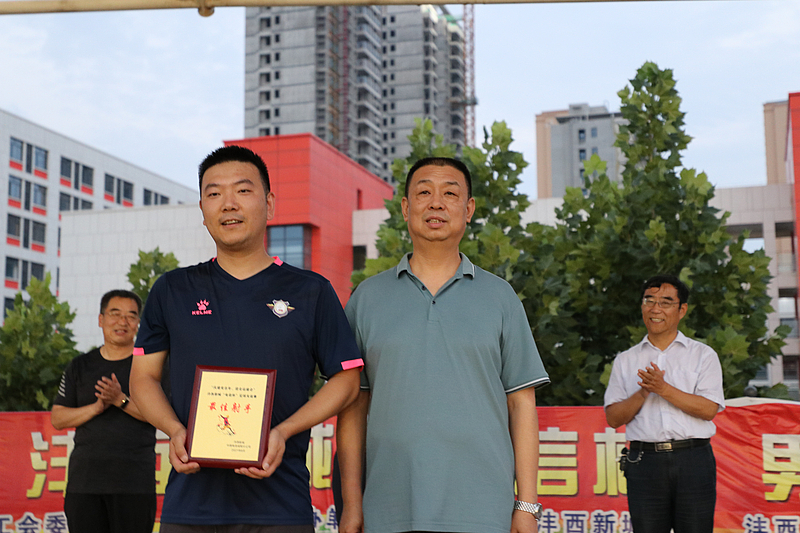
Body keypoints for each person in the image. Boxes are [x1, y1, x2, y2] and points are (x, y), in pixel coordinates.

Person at [130, 145, 362, 532]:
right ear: (202, 209)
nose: (228, 204)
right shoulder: (172, 289)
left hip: (280, 507)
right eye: (214, 193)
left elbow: (348, 379)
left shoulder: (311, 291)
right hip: (189, 508)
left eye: (242, 190)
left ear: (269, 204)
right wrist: (174, 429)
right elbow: (142, 377)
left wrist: (283, 431)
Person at [337, 157, 550, 533]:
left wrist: (527, 506)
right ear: (406, 208)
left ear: (468, 210)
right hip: (389, 509)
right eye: (424, 192)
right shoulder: (367, 299)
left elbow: (522, 405)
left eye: (450, 193)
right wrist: (353, 505)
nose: (436, 203)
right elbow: (352, 409)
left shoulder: (500, 297)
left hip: (485, 511)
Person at [604, 274, 725, 533]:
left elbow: (708, 410)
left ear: (682, 310)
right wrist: (643, 393)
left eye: (666, 302)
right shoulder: (626, 360)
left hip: (693, 459)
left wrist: (663, 389)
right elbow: (613, 418)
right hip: (644, 461)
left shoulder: (703, 355)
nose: (655, 309)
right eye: (649, 300)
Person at [51, 289, 156, 533]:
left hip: (134, 485)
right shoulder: (80, 365)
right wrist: (96, 408)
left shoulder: (149, 366)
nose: (123, 322)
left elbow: (161, 416)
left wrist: (120, 400)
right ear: (101, 319)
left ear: (138, 323)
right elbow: (58, 418)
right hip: (84, 484)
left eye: (131, 316)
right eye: (115, 314)